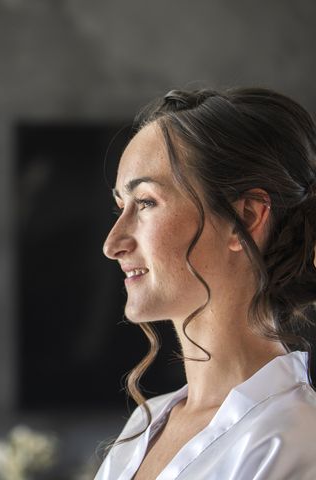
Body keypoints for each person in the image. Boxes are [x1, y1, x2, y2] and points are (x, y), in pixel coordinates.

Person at [95, 87, 316, 480]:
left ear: (244, 218)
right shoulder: (143, 428)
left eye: (145, 203)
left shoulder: (295, 439)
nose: (112, 244)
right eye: (120, 206)